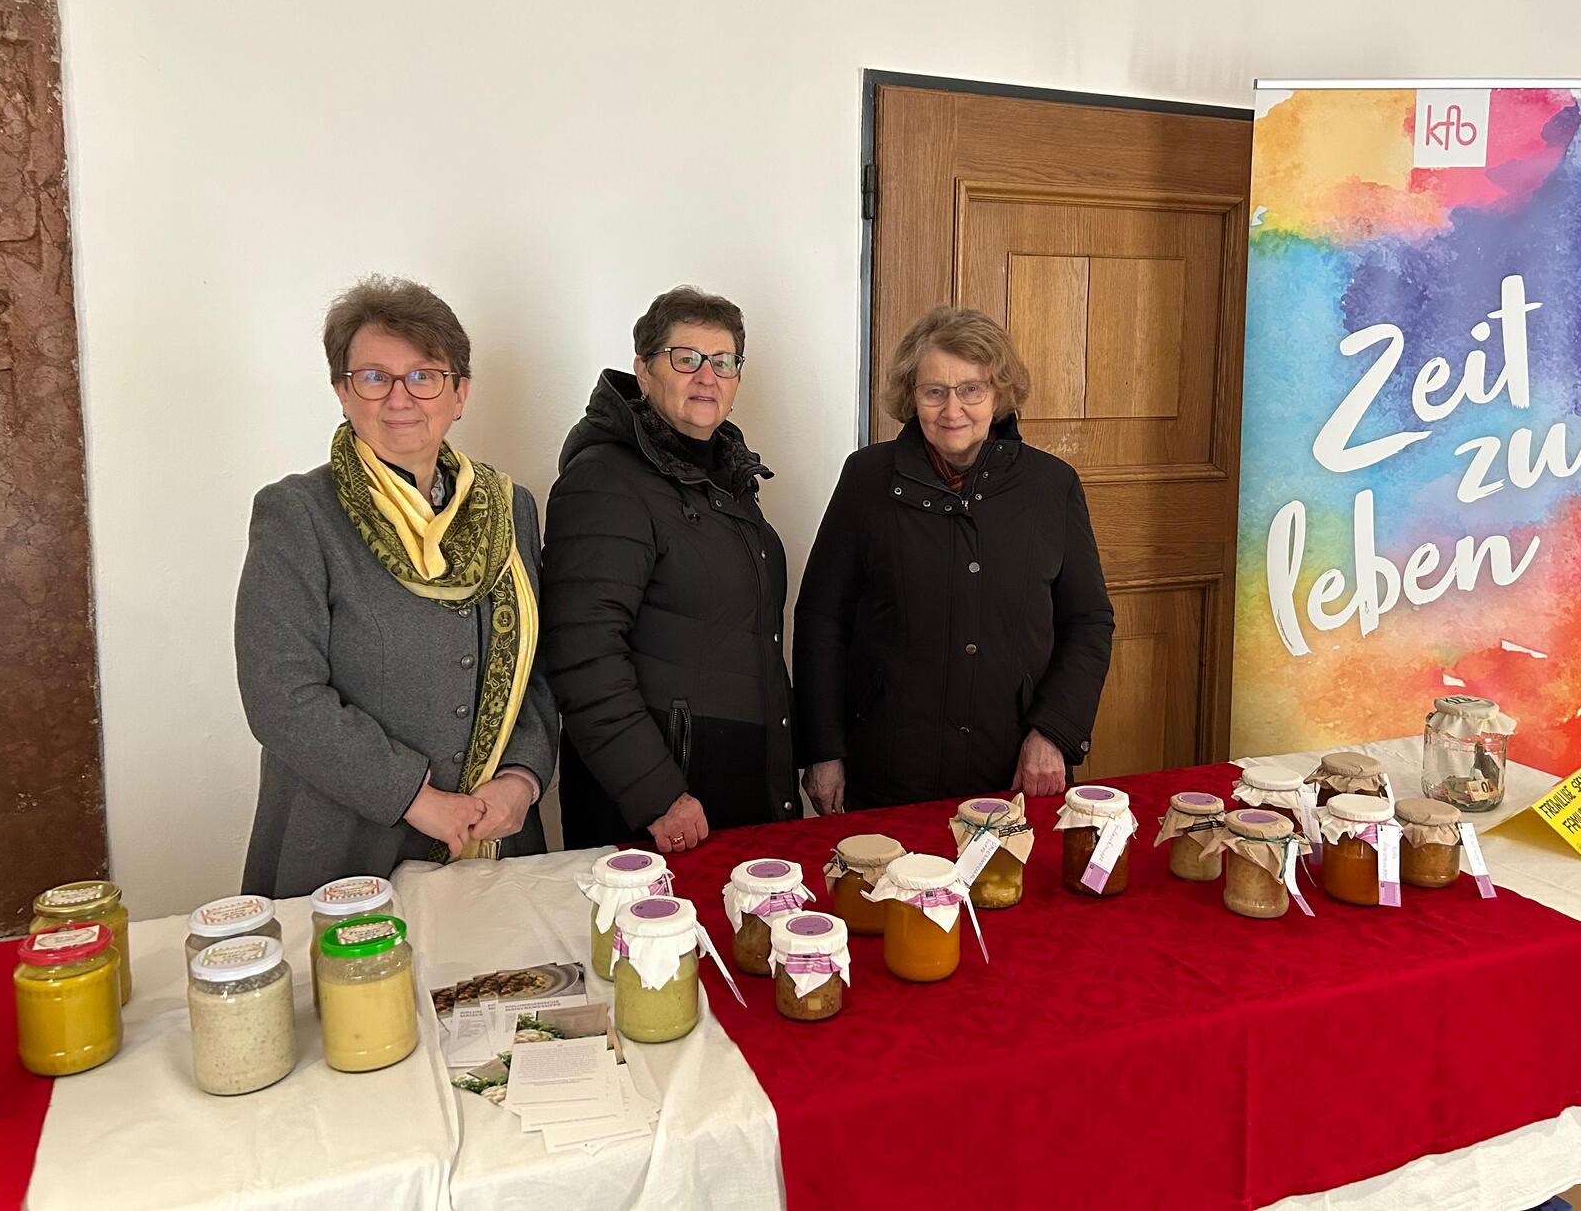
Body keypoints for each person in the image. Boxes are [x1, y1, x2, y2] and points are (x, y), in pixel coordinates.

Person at [235, 276, 556, 897]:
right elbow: (282, 696)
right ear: (342, 392)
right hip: (345, 847)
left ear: (459, 394)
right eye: (374, 377)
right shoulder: (298, 513)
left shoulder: (509, 508)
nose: (400, 398)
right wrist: (416, 798)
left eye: (424, 376)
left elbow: (535, 667)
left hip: (492, 838)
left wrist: (522, 779)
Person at [795, 306, 1114, 812]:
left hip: (1015, 766)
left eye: (971, 389)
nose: (952, 409)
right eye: (934, 391)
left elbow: (1088, 622)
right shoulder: (866, 478)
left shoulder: (1052, 486)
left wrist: (1054, 733)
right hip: (886, 766)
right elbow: (821, 619)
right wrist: (824, 750)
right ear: (911, 396)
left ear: (999, 394)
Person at [541, 286, 797, 855]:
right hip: (663, 799)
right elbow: (582, 654)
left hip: (731, 777)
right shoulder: (605, 479)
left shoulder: (724, 478)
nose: (707, 376)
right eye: (686, 359)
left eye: (723, 361)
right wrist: (657, 794)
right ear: (644, 370)